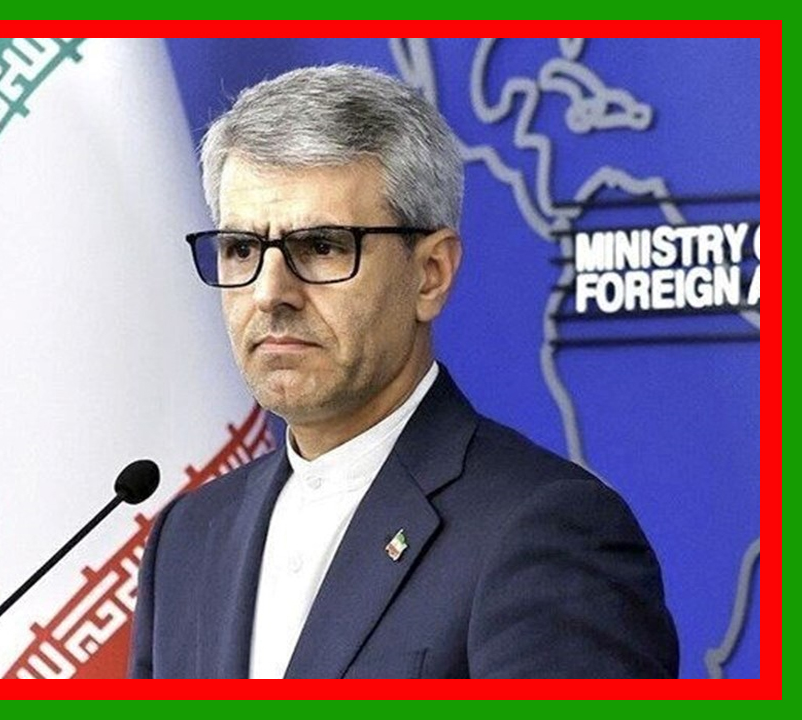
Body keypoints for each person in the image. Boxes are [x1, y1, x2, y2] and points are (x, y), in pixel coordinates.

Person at [128, 65, 678, 679]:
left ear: (430, 275)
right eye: (241, 249)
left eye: (322, 247)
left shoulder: (546, 531)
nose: (270, 292)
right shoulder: (188, 537)